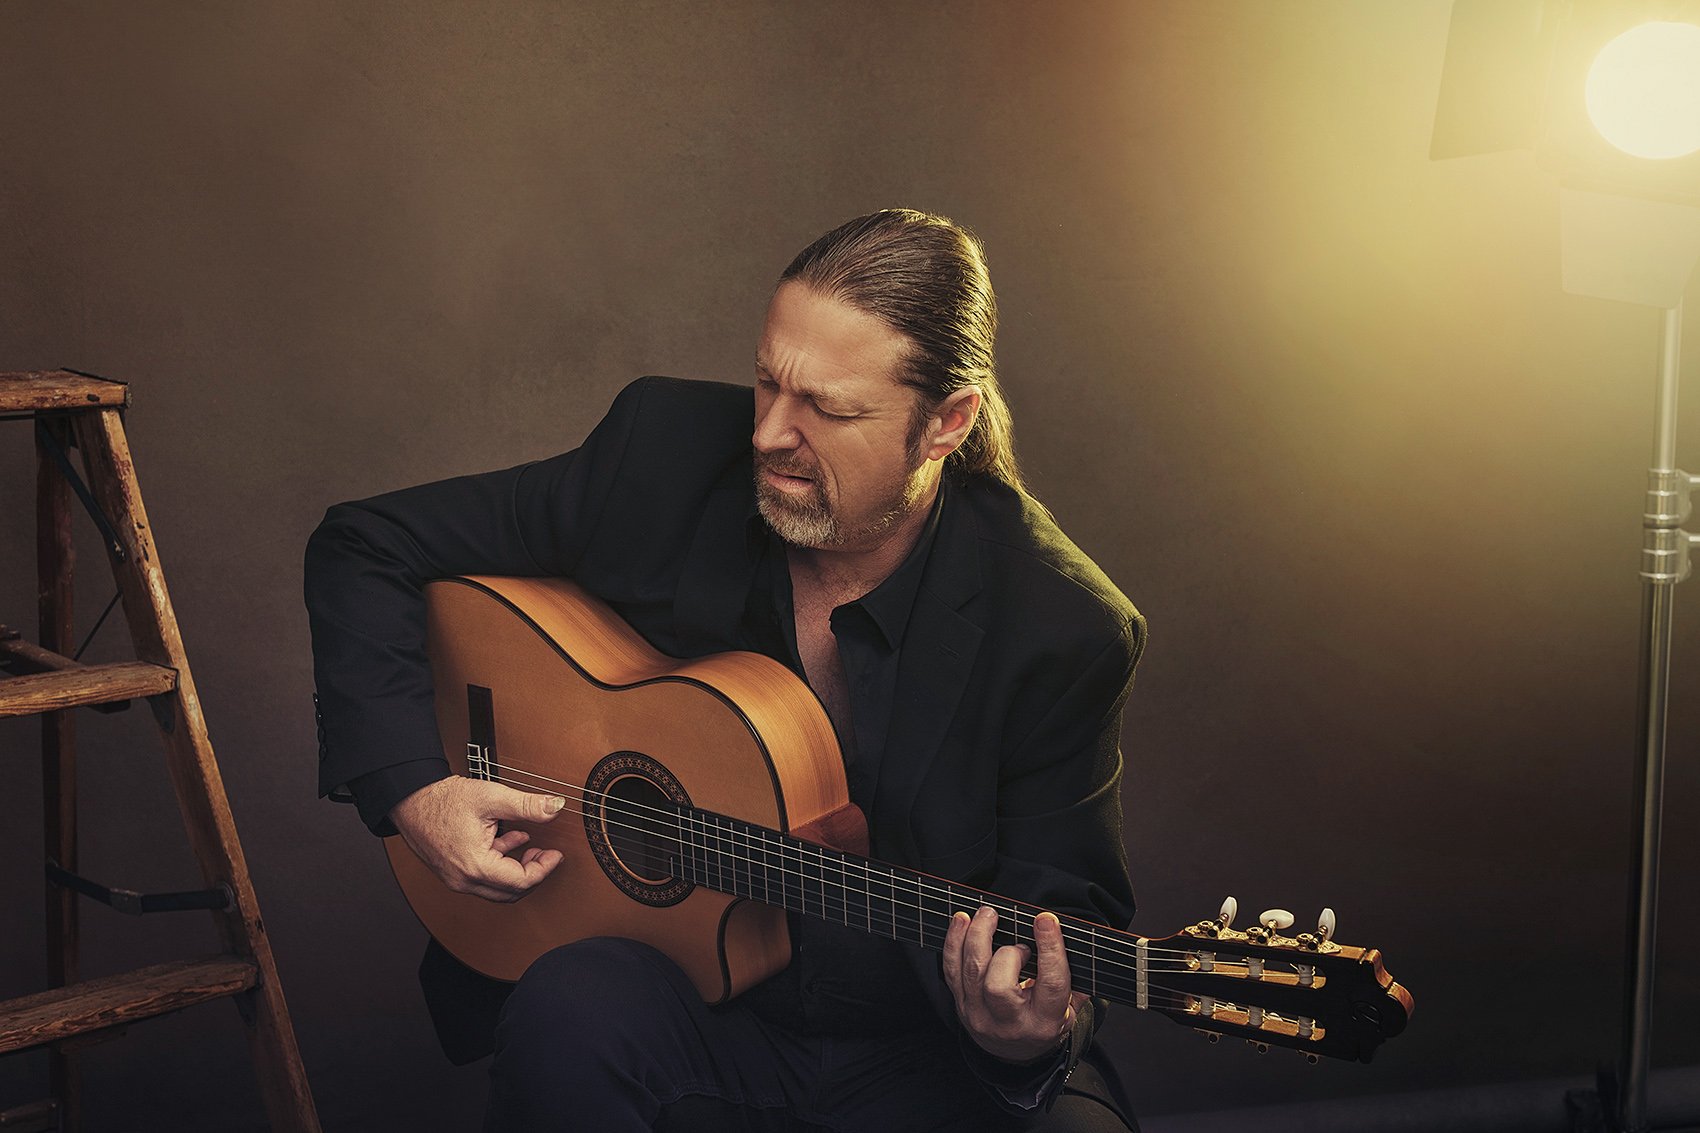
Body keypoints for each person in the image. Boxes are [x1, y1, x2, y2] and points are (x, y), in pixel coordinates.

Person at [305, 209, 1146, 1132]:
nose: (771, 434)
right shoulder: (663, 453)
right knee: (570, 1011)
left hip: (925, 1052)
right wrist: (416, 788)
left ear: (945, 422)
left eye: (827, 408)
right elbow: (367, 543)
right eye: (766, 382)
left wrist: (1025, 1030)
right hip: (698, 1015)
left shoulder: (1063, 625)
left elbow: (1068, 909)